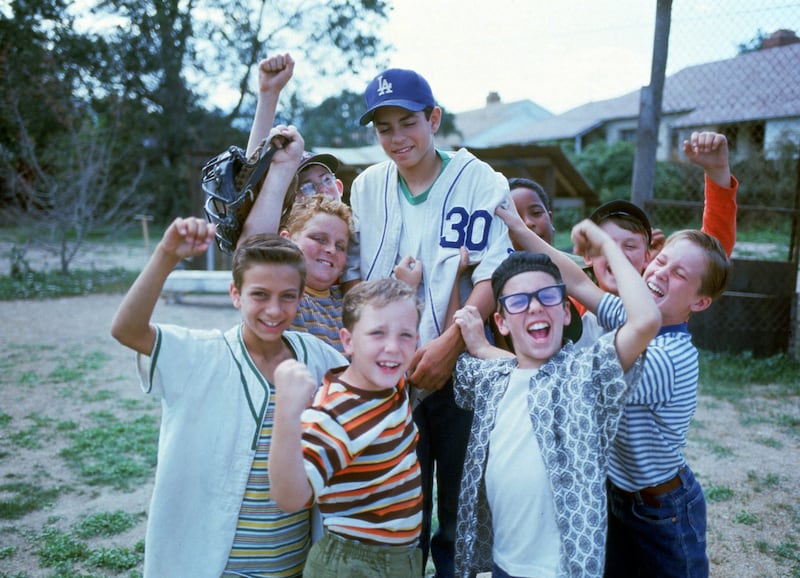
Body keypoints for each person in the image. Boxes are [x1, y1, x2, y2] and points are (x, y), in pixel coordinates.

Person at [490, 208, 731, 577]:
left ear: (699, 303)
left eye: (679, 274)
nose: (661, 273)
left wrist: (606, 245)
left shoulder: (669, 358)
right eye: (662, 261)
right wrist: (520, 229)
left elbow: (574, 384)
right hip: (620, 495)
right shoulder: (635, 318)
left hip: (662, 509)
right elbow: (578, 283)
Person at [341, 67, 514, 576]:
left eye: (407, 122)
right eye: (384, 127)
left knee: (460, 513)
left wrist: (449, 346)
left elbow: (493, 276)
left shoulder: (478, 178)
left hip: (457, 370)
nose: (397, 138)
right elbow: (351, 277)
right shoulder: (368, 186)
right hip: (391, 377)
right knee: (400, 510)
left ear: (433, 119)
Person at [110, 225, 347, 577]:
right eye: (260, 295)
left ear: (301, 298)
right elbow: (126, 329)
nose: (274, 309)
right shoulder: (201, 354)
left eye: (287, 296)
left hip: (293, 564)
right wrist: (167, 254)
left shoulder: (319, 358)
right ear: (235, 294)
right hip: (216, 565)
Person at [450, 219, 661, 578]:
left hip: (563, 569)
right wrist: (457, 284)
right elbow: (491, 361)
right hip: (498, 563)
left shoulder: (585, 373)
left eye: (547, 297)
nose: (535, 307)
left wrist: (608, 247)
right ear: (501, 321)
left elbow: (644, 321)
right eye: (519, 301)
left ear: (565, 312)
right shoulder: (493, 377)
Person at [268, 278, 424, 577]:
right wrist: (286, 413)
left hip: (398, 558)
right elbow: (288, 497)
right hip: (354, 564)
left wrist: (405, 285)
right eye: (377, 333)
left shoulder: (392, 383)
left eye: (406, 335)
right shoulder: (335, 415)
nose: (392, 347)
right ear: (348, 340)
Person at [279, 194, 353, 353]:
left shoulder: (348, 304)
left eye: (340, 246)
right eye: (319, 239)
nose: (331, 250)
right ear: (287, 240)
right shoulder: (282, 295)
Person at [508, 177, 555, 246]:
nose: (528, 223)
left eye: (536, 212)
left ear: (550, 220)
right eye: (516, 218)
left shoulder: (572, 257)